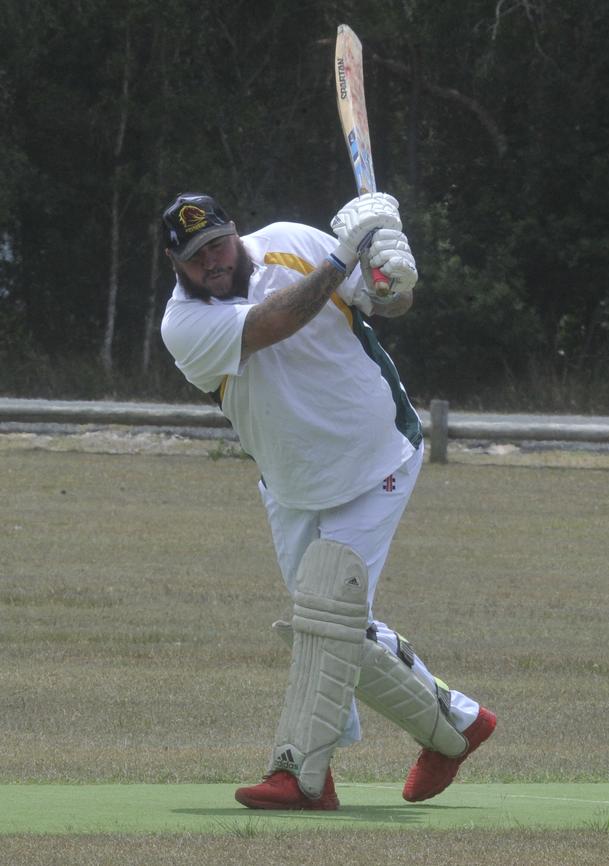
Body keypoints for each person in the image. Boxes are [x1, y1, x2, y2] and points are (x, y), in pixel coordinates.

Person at [160, 190, 496, 810]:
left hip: (375, 459)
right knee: (328, 628)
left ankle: (303, 774)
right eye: (195, 255)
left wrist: (393, 279)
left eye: (217, 243)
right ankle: (457, 725)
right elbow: (271, 324)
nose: (212, 260)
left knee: (328, 619)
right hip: (290, 482)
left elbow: (388, 302)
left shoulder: (294, 240)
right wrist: (342, 260)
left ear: (235, 232)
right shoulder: (183, 324)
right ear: (176, 264)